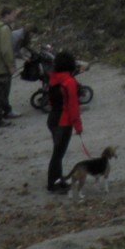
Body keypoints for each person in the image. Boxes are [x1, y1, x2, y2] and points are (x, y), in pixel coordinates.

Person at [45, 50, 82, 192]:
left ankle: (58, 180)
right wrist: (78, 126)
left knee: (58, 153)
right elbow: (73, 105)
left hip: (53, 118)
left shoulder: (54, 79)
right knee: (58, 154)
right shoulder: (69, 82)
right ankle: (53, 183)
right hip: (63, 121)